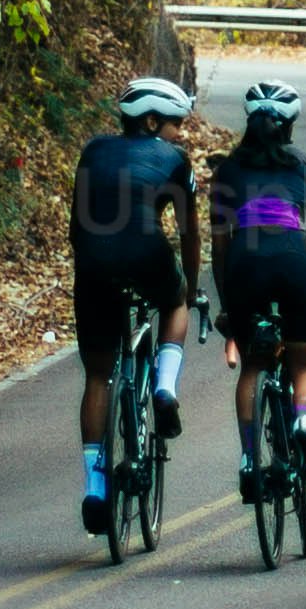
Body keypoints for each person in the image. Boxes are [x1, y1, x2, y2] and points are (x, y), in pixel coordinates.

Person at [69, 72, 200, 536]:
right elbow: (189, 232)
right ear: (149, 121)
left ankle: (94, 488)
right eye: (174, 124)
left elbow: (77, 222)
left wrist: (88, 266)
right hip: (146, 252)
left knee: (99, 375)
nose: (179, 133)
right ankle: (164, 387)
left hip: (91, 261)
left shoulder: (93, 151)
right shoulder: (174, 159)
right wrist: (192, 287)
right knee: (176, 302)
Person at [207, 78, 306, 480]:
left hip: (243, 262)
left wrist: (228, 306)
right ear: (290, 126)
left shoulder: (226, 171)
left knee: (253, 364)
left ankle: (250, 460)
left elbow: (219, 247)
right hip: (295, 257)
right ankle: (305, 421)